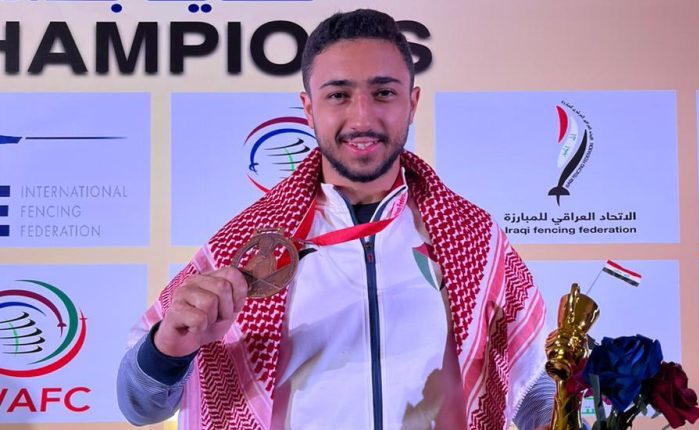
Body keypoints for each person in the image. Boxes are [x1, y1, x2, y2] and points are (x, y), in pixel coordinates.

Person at [117, 9, 554, 430]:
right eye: (339, 95)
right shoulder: (243, 246)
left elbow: (535, 390)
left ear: (412, 103)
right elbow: (140, 404)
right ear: (308, 109)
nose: (362, 117)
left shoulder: (474, 237)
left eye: (383, 93)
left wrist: (565, 406)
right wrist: (170, 348)